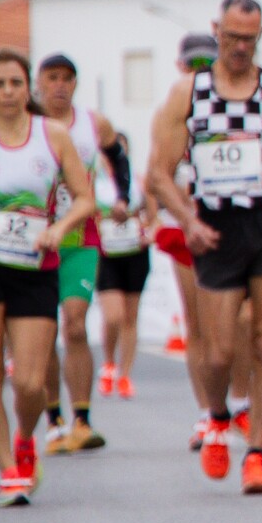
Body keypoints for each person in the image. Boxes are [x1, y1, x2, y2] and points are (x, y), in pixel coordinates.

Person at [147, 0, 262, 495]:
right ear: (216, 31)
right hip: (215, 226)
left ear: (260, 36)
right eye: (232, 37)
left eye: (250, 38)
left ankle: (258, 455)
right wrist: (187, 221)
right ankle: (218, 417)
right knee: (220, 350)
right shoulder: (190, 93)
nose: (240, 47)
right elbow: (159, 172)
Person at [0, 50, 96, 505]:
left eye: (15, 83)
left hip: (36, 265)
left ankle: (26, 437)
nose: (9, 92)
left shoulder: (52, 135)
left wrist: (60, 228)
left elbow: (84, 199)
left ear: (27, 88)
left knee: (30, 382)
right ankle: (8, 468)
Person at [34, 53, 124, 454]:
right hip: (35, 243)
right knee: (46, 332)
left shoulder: (93, 123)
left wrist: (120, 195)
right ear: (39, 83)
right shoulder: (27, 125)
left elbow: (116, 154)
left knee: (74, 324)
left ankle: (82, 420)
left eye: (67, 78)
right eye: (52, 78)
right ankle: (53, 420)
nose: (60, 85)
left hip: (81, 240)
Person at [94, 171, 153, 402]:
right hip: (107, 254)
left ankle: (125, 373)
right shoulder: (97, 184)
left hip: (134, 253)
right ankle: (109, 363)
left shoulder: (139, 182)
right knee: (113, 315)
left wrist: (146, 226)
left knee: (131, 316)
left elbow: (153, 214)